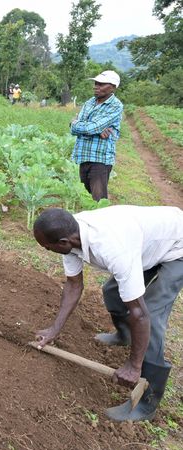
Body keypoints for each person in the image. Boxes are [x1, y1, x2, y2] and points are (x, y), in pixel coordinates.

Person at [33, 206, 183, 422]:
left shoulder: (112, 246)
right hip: (148, 244)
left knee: (152, 312)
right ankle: (126, 336)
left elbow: (140, 314)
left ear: (64, 242)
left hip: (177, 246)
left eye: (48, 247)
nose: (47, 250)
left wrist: (133, 366)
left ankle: (147, 401)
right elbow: (74, 286)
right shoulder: (70, 235)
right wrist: (53, 330)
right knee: (112, 292)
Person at [70, 70, 124, 201]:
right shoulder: (90, 102)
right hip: (83, 156)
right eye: (96, 83)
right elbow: (74, 129)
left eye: (101, 84)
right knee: (86, 197)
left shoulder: (115, 106)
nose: (96, 86)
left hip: (100, 158)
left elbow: (90, 127)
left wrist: (78, 124)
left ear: (113, 87)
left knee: (98, 200)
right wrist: (92, 128)